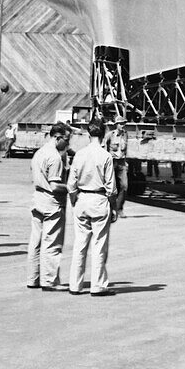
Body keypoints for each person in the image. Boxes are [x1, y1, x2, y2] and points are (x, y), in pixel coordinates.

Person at [68, 119, 117, 296]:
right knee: (99, 245)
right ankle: (98, 286)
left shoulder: (79, 155)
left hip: (82, 198)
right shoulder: (106, 156)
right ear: (103, 135)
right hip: (99, 199)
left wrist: (75, 200)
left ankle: (75, 284)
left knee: (79, 244)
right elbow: (111, 189)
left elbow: (71, 184)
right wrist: (114, 208)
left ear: (89, 135)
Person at [27, 123, 71, 290]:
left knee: (35, 242)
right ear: (57, 137)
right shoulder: (54, 157)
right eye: (66, 140)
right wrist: (71, 188)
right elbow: (54, 185)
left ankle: (33, 278)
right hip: (51, 202)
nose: (67, 144)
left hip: (37, 198)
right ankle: (49, 280)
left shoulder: (39, 153)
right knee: (51, 242)